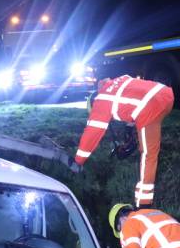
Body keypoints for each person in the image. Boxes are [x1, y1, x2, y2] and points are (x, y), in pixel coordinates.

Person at [74, 75, 174, 207]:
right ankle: (134, 140)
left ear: (93, 104)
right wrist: (130, 129)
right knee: (137, 121)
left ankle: (143, 203)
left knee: (148, 155)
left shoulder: (101, 102)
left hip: (150, 106)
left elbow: (92, 133)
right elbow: (133, 99)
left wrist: (78, 161)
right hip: (166, 95)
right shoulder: (117, 81)